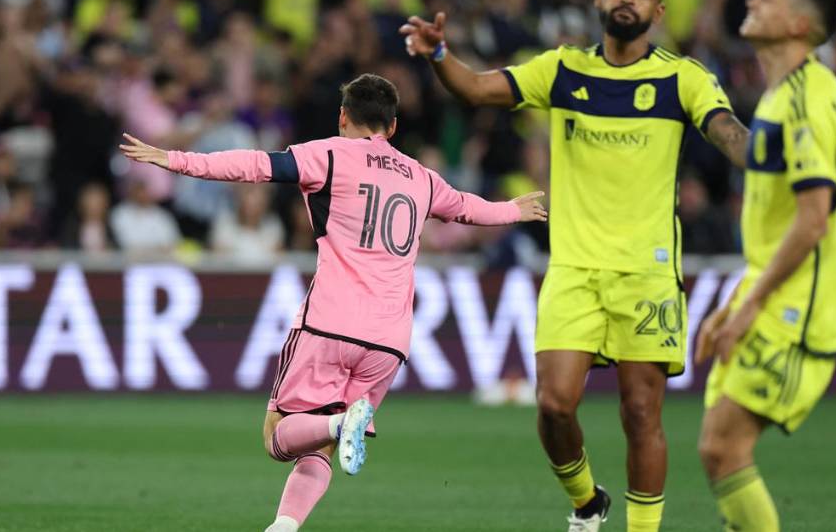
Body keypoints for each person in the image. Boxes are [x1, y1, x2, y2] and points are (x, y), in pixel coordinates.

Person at [400, 0, 750, 531]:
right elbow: (479, 90)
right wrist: (440, 53)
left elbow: (727, 131)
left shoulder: (682, 77)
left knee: (641, 413)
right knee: (554, 404)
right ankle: (588, 501)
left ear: (658, 11)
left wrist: (767, 156)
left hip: (648, 272)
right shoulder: (561, 70)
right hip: (575, 269)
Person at [120, 73, 547, 532]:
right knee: (321, 447)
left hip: (330, 322)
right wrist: (512, 210)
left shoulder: (327, 154)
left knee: (279, 437)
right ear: (394, 127)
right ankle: (284, 525)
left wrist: (175, 160)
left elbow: (255, 165)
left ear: (343, 117)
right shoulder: (421, 177)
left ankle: (337, 425)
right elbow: (467, 207)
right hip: (389, 340)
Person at [695, 0, 836, 532]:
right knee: (718, 448)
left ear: (797, 23)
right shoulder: (779, 96)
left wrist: (750, 306)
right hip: (775, 296)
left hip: (801, 312)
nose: (750, 0)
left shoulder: (807, 102)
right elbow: (782, 225)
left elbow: (814, 222)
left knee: (723, 448)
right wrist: (735, 299)